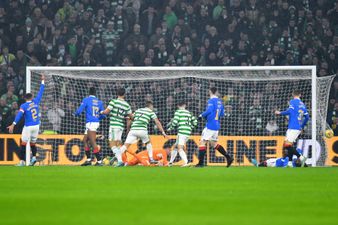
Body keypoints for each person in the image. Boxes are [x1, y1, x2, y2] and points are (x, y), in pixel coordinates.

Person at [7, 74, 45, 166]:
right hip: (36, 126)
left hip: (28, 126)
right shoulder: (36, 101)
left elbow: (19, 115)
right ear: (31, 97)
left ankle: (22, 162)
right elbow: (41, 92)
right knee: (33, 143)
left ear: (25, 98)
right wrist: (43, 81)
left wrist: (13, 124)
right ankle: (34, 158)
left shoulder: (23, 106)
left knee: (23, 143)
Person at [116, 100, 167, 166]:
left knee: (125, 146)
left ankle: (116, 159)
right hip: (142, 130)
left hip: (133, 130)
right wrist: (163, 132)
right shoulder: (151, 112)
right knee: (148, 143)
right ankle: (151, 159)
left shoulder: (138, 110)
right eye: (152, 106)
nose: (152, 108)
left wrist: (128, 129)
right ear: (150, 106)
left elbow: (129, 119)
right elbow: (157, 122)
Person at [196, 87, 233, 167]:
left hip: (210, 125)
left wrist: (201, 115)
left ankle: (200, 163)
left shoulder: (211, 100)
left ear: (210, 92)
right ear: (216, 92)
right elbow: (222, 114)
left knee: (202, 142)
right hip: (216, 125)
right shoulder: (220, 101)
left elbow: (209, 110)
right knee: (214, 144)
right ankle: (228, 157)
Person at [275, 90, 309, 166]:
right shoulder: (303, 105)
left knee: (287, 145)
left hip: (293, 127)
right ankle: (290, 162)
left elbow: (289, 111)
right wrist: (302, 126)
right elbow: (307, 117)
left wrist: (279, 113)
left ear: (293, 95)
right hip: (296, 127)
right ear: (300, 95)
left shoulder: (293, 101)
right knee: (288, 145)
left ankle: (301, 157)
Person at [74, 87, 105, 166]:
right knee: (85, 140)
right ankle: (88, 160)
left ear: (89, 93)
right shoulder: (99, 102)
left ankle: (99, 161)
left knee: (92, 141)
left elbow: (80, 110)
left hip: (91, 122)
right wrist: (97, 119)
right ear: (95, 93)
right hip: (95, 122)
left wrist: (76, 114)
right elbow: (103, 115)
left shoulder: (86, 100)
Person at [100, 88, 133, 161]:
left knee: (112, 144)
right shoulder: (127, 105)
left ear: (117, 93)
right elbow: (132, 116)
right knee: (118, 144)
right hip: (121, 126)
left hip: (114, 126)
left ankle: (120, 160)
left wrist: (101, 112)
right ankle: (119, 159)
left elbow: (106, 112)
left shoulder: (113, 102)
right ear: (124, 94)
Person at [167, 100, 197, 167]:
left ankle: (186, 162)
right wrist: (190, 127)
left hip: (182, 132)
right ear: (185, 105)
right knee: (175, 147)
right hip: (188, 132)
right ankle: (170, 162)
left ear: (178, 106)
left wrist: (170, 128)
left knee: (180, 147)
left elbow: (175, 122)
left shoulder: (178, 112)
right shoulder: (189, 113)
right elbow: (195, 122)